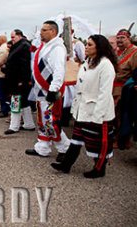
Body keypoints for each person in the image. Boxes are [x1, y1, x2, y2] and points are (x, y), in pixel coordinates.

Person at [51, 35, 117, 178]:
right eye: (86, 44)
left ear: (99, 48)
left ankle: (99, 169)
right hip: (83, 110)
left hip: (97, 112)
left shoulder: (106, 65)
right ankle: (66, 165)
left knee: (99, 142)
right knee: (76, 140)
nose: (86, 47)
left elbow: (104, 93)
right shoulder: (87, 62)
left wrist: (98, 115)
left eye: (90, 45)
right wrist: (75, 108)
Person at [25, 21, 70, 160]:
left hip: (49, 91)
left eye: (44, 30)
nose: (41, 33)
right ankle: (43, 147)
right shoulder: (45, 46)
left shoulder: (57, 48)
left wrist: (53, 89)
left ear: (53, 31)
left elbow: (59, 70)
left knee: (51, 121)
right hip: (41, 92)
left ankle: (65, 148)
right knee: (43, 120)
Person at [4, 30, 35, 134]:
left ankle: (14, 126)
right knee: (24, 102)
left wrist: (22, 80)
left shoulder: (24, 46)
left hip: (19, 80)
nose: (11, 39)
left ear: (19, 36)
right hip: (17, 79)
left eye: (13, 37)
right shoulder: (20, 46)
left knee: (16, 101)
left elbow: (25, 65)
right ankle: (29, 124)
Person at [113, 29, 137, 147]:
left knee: (121, 114)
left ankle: (122, 139)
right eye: (118, 38)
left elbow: (135, 72)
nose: (119, 40)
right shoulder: (117, 52)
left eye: (123, 38)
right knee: (114, 114)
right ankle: (116, 136)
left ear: (129, 39)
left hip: (125, 87)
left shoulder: (134, 52)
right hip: (113, 87)